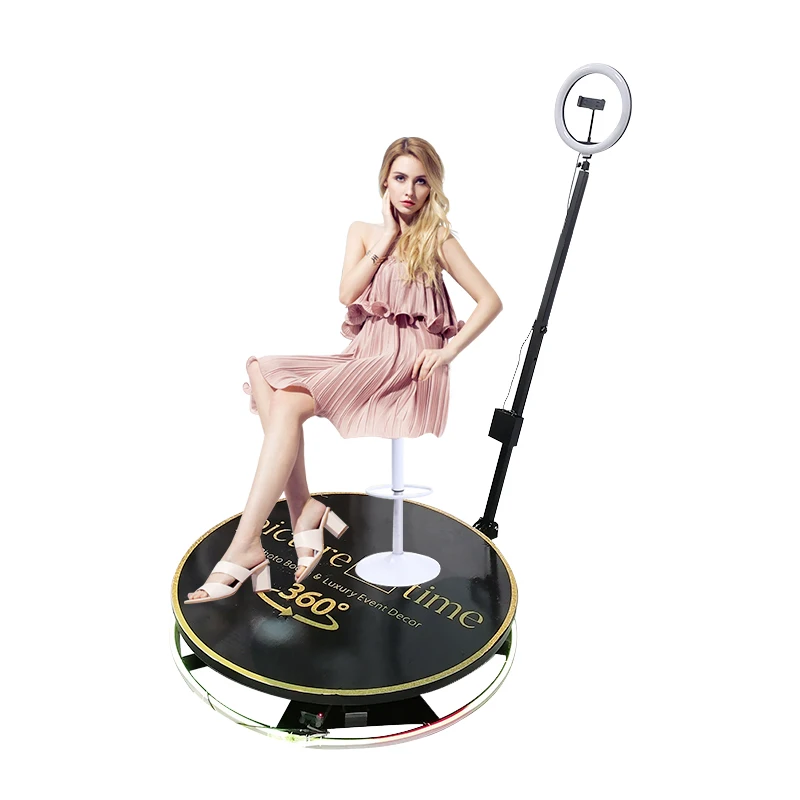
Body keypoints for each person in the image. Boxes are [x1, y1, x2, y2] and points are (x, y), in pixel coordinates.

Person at [186, 136, 503, 603]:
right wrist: (388, 237)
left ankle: (253, 541)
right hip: (364, 354)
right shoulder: (363, 231)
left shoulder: (437, 239)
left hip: (403, 361)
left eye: (420, 181)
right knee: (263, 371)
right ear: (384, 181)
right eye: (400, 178)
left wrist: (448, 351)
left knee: (286, 401)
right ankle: (301, 511)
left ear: (432, 187)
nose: (409, 191)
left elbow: (490, 300)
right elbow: (347, 294)